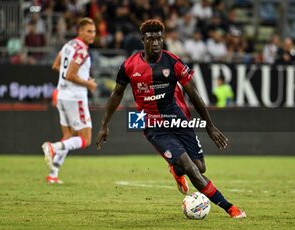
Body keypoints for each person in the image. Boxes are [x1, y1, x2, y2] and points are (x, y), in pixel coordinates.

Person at [95, 19, 246, 218]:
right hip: (153, 126)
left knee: (200, 167)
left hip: (178, 120)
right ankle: (230, 208)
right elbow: (116, 94)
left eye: (159, 38)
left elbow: (194, 95)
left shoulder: (172, 62)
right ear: (143, 40)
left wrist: (210, 125)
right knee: (192, 169)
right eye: (151, 38)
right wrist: (104, 125)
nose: (156, 42)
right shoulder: (129, 66)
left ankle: (176, 170)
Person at [42, 17, 97, 184]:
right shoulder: (81, 50)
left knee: (68, 135)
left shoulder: (68, 45)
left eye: (93, 31)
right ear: (79, 31)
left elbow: (56, 66)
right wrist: (87, 83)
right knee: (86, 139)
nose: (92, 34)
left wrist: (74, 77)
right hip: (75, 98)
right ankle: (53, 147)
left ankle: (53, 173)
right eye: (88, 31)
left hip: (62, 95)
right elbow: (70, 74)